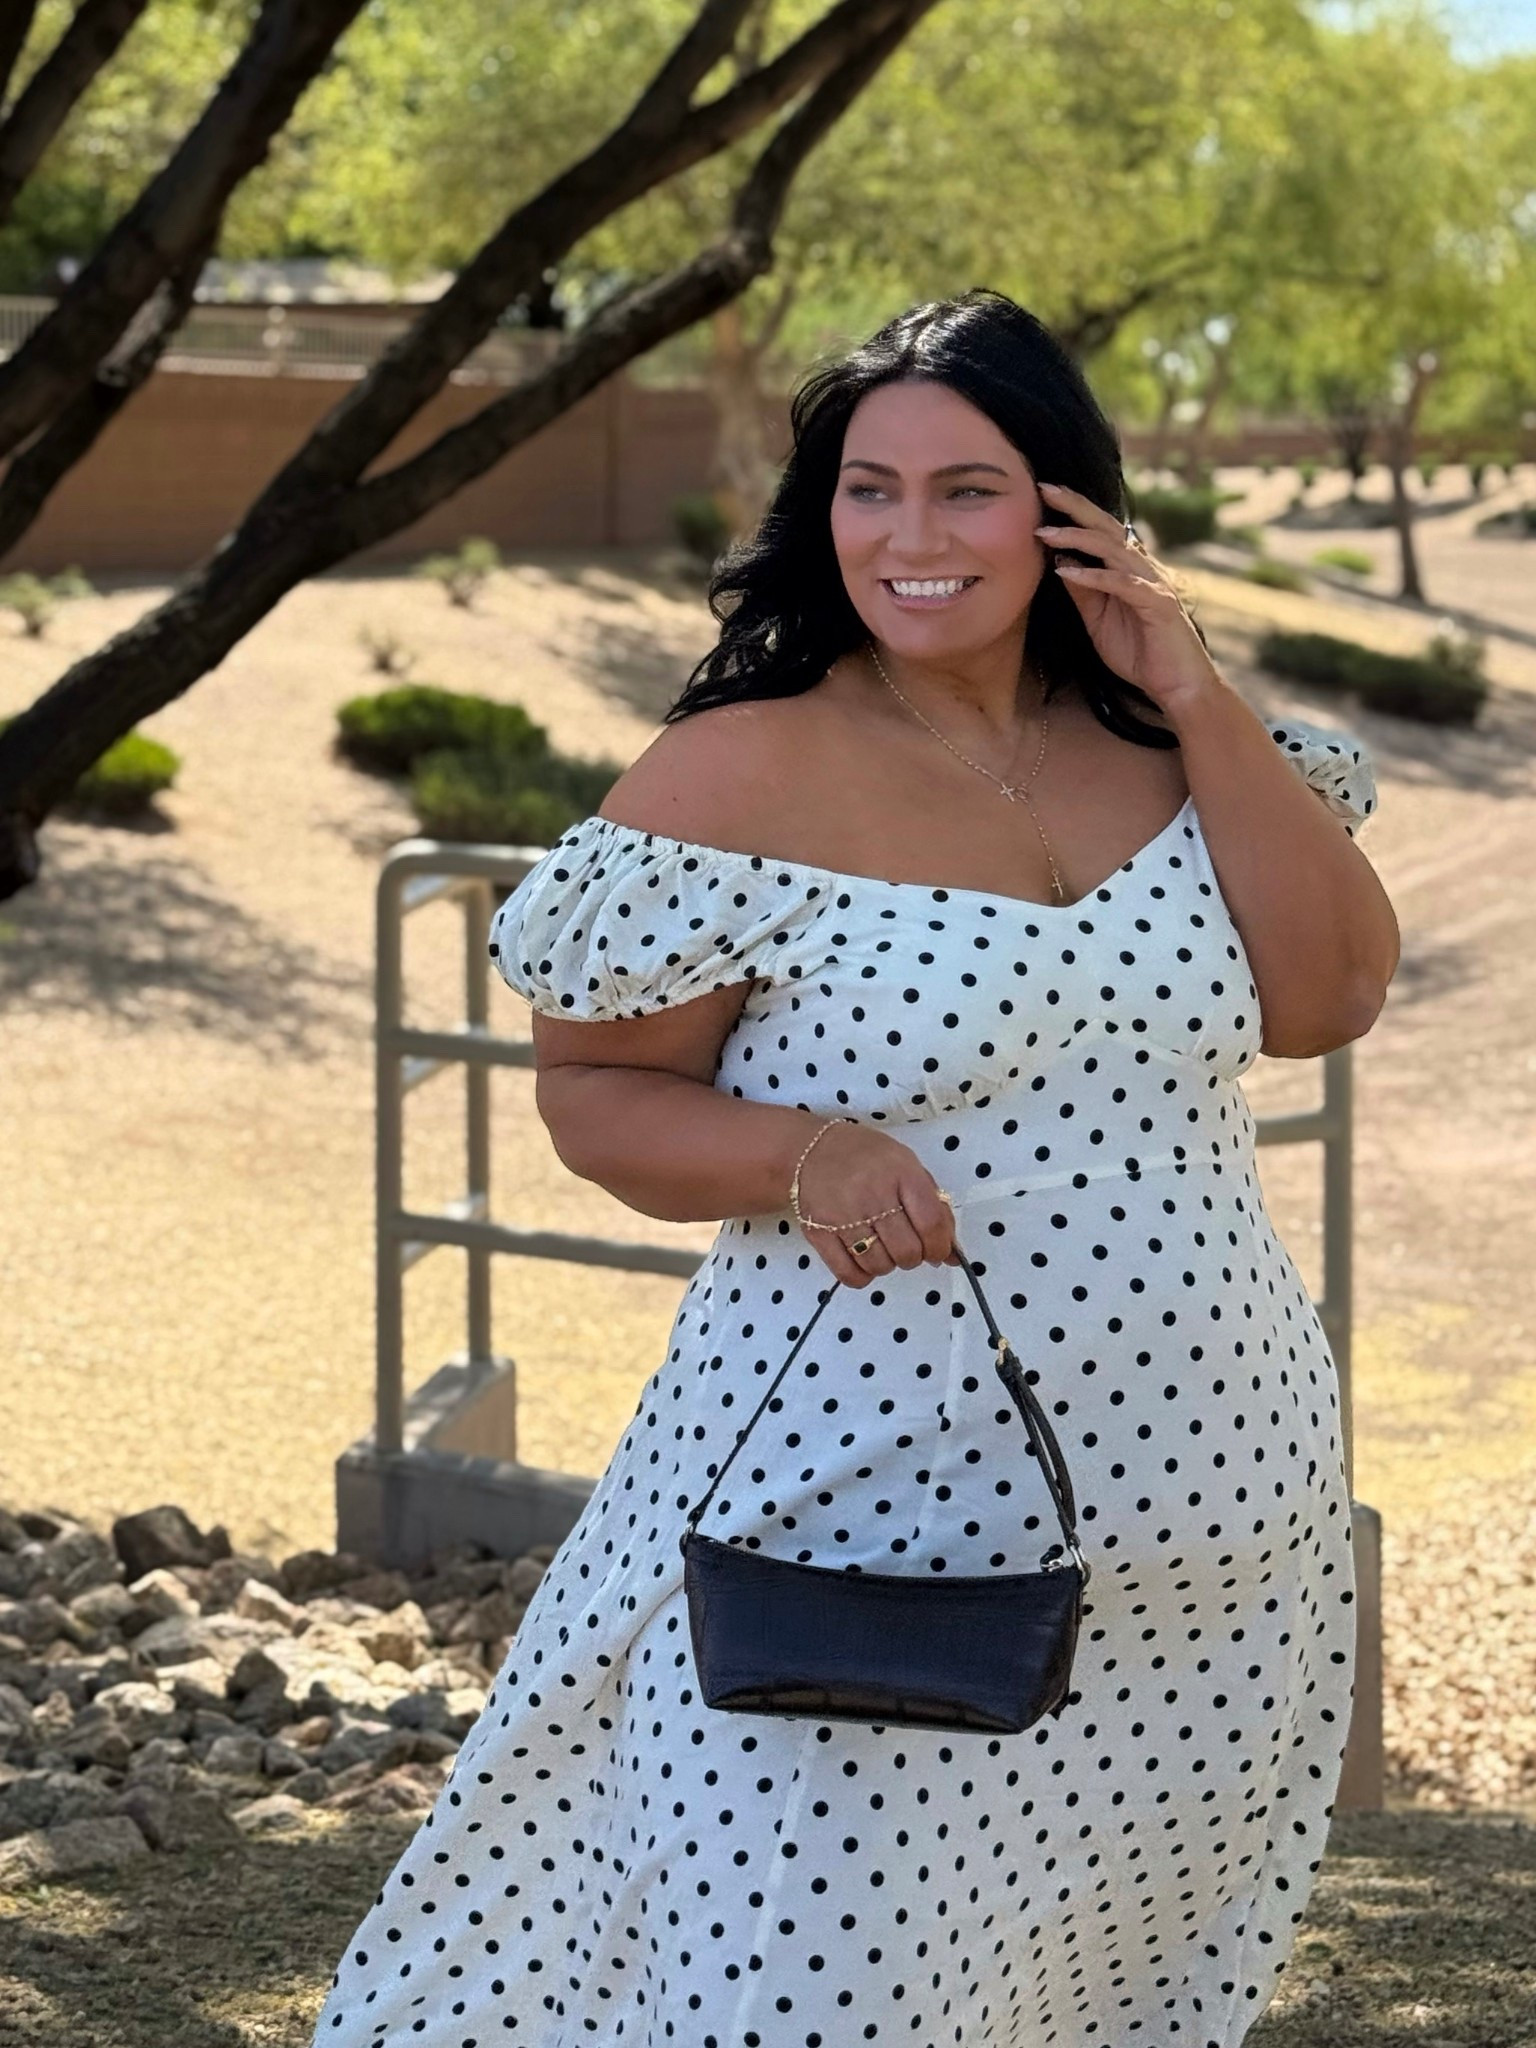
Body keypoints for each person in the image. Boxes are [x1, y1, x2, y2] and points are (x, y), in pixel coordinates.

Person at [313, 287, 1397, 2047]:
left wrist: (1196, 692)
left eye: (968, 490)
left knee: (1093, 2003)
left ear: (1068, 512)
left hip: (1213, 1539)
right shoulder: (740, 770)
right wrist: (802, 1151)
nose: (911, 536)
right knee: (809, 1990)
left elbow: (1328, 998)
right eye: (868, 490)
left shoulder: (1187, 750)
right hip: (859, 1525)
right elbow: (593, 1092)